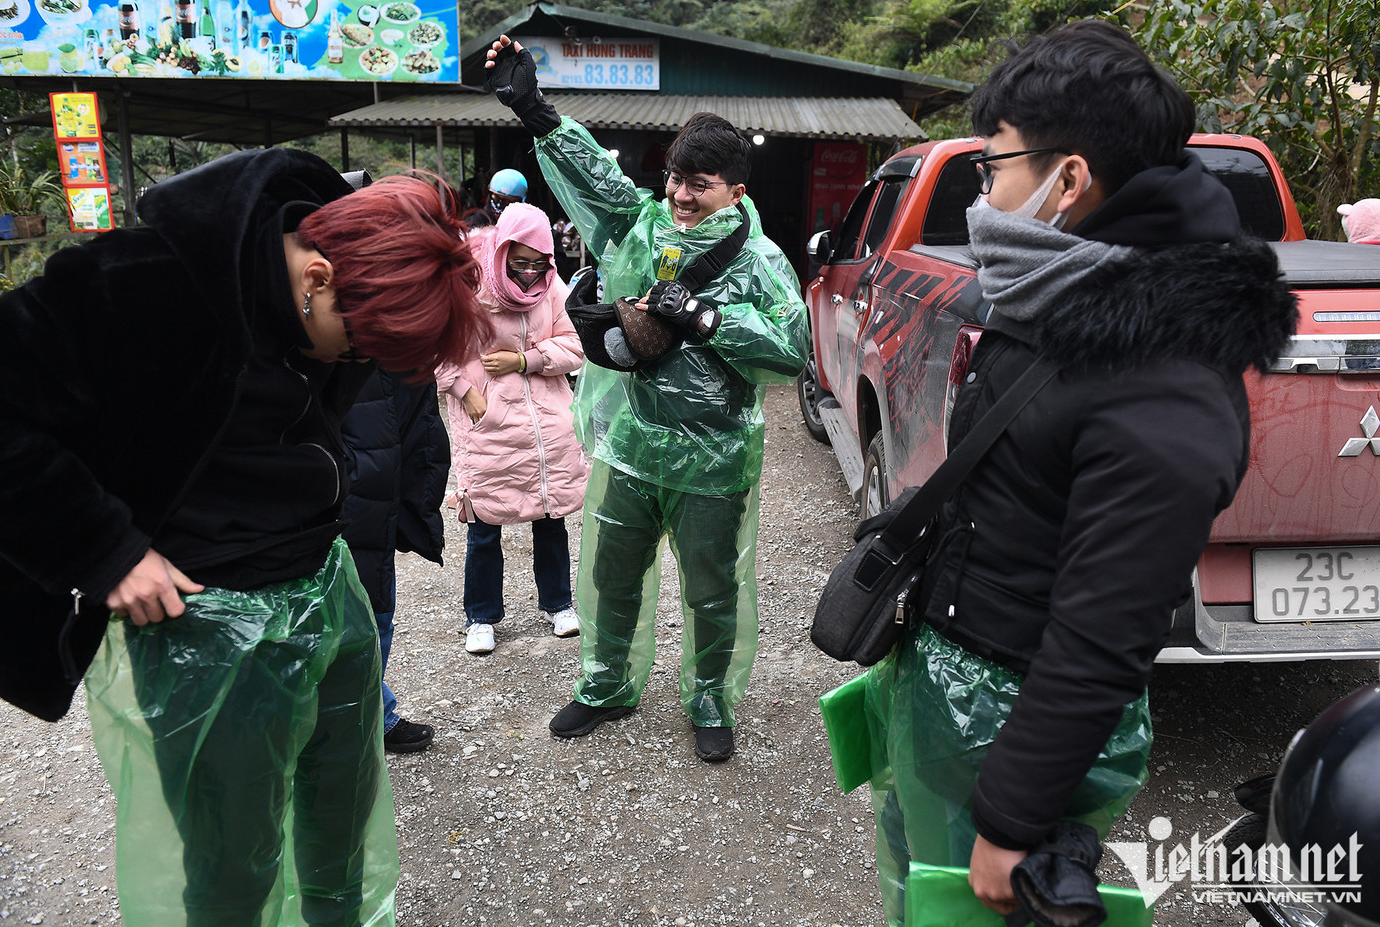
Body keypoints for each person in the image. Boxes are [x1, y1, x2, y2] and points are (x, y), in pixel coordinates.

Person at [858, 20, 1298, 924]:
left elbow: (1106, 630)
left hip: (1010, 722)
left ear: (1068, 179)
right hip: (958, 681)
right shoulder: (1063, 283)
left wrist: (1012, 816)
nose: (984, 193)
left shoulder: (1166, 377)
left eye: (994, 164)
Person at [0, 149, 482, 926]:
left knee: (342, 815)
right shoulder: (146, 284)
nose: (355, 364)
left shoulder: (331, 302)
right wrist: (105, 549)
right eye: (359, 348)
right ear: (316, 277)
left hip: (324, 584)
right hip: (207, 622)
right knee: (232, 863)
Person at [484, 36, 810, 763]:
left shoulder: (761, 262)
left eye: (700, 184)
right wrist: (538, 114)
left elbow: (791, 350)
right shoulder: (640, 225)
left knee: (712, 589)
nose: (681, 195)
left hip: (713, 459)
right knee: (610, 574)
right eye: (675, 178)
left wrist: (709, 318)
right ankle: (606, 685)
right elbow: (596, 178)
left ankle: (710, 699)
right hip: (631, 447)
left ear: (736, 191)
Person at [436, 201, 587, 655]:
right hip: (490, 423)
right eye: (520, 263)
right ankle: (481, 616)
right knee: (485, 522)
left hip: (546, 427)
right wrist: (465, 391)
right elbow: (437, 347)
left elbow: (574, 346)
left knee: (550, 516)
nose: (529, 273)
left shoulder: (551, 287)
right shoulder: (468, 285)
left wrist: (525, 360)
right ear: (502, 251)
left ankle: (558, 604)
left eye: (538, 264)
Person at [340, 369, 449, 754]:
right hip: (326, 496)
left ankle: (372, 715)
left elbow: (420, 426)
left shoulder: (395, 348)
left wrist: (415, 510)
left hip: (372, 502)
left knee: (373, 619)